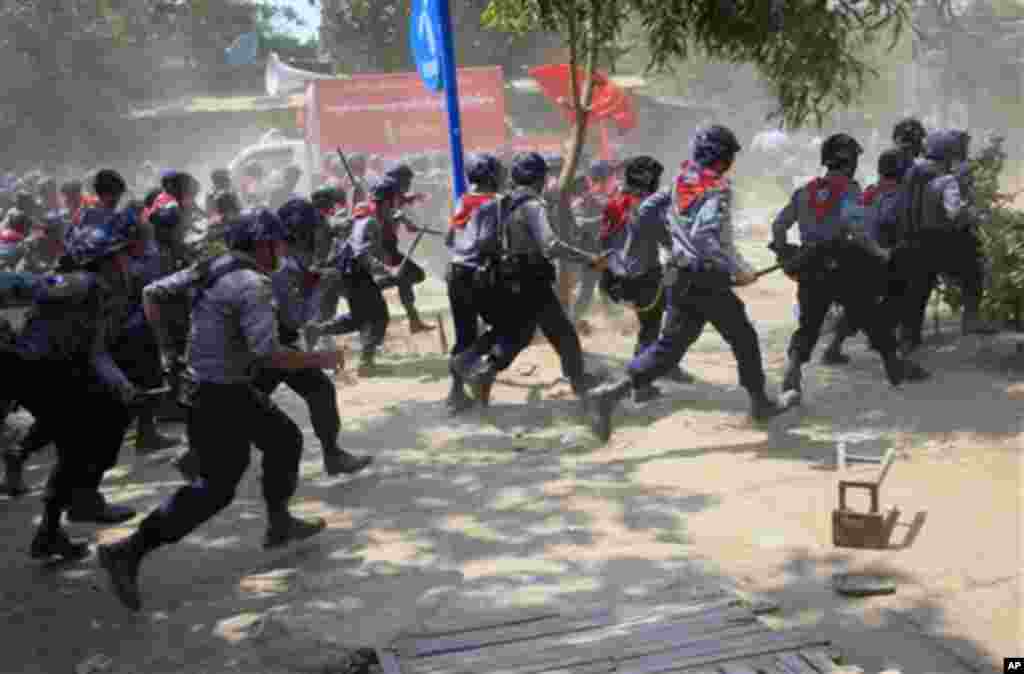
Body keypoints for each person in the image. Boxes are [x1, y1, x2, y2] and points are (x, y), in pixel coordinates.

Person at [98, 209, 344, 611]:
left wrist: (169, 352)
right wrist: (322, 359)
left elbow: (152, 294)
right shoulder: (253, 284)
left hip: (213, 384)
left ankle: (279, 522)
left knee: (284, 439)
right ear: (263, 244)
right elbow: (268, 355)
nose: (281, 250)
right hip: (219, 394)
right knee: (215, 489)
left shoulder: (211, 265)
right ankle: (128, 551)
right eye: (277, 243)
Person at [588, 125, 791, 443]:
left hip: (680, 277)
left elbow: (643, 213)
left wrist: (673, 241)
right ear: (722, 157)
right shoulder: (716, 189)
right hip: (706, 278)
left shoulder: (680, 181)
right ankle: (761, 404)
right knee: (744, 338)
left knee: (668, 350)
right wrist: (736, 269)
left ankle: (610, 393)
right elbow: (704, 236)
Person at [2, 215, 141, 558]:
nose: (123, 263)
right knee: (101, 427)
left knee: (74, 444)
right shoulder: (93, 287)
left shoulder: (60, 281)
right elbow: (94, 350)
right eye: (117, 257)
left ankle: (55, 525)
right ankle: (75, 507)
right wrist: (123, 386)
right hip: (53, 375)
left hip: (30, 372)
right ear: (102, 262)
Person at [772, 134, 929, 407]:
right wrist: (881, 254)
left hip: (811, 267)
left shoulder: (804, 191)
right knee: (870, 316)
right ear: (851, 161)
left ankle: (793, 372)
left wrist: (786, 252)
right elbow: (856, 231)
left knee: (808, 326)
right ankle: (895, 369)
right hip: (844, 266)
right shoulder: (850, 190)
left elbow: (778, 226)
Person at [450, 152, 607, 407]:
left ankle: (481, 370)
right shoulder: (533, 205)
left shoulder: (500, 203)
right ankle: (579, 381)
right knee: (562, 332)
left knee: (518, 332)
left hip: (506, 276)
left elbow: (480, 240)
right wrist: (589, 258)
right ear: (540, 178)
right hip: (532, 277)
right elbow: (551, 245)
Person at [901, 129, 998, 346]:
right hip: (942, 242)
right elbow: (954, 212)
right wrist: (974, 215)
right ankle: (970, 318)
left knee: (919, 291)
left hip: (913, 240)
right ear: (948, 155)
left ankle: (910, 338)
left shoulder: (913, 174)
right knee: (974, 268)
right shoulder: (947, 180)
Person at [821, 148, 914, 364]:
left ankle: (834, 348)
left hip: (860, 258)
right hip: (883, 260)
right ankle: (899, 357)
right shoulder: (900, 198)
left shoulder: (869, 192)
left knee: (858, 305)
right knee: (898, 302)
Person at [304, 177, 400, 376]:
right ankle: (365, 361)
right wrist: (386, 270)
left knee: (359, 317)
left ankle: (319, 330)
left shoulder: (314, 221)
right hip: (348, 274)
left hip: (335, 275)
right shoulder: (330, 222)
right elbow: (358, 250)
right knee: (377, 316)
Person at [444, 153, 504, 415]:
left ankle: (456, 393)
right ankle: (478, 377)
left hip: (455, 272)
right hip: (478, 274)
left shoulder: (463, 200)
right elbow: (486, 243)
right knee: (507, 325)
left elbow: (449, 238)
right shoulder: (493, 203)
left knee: (464, 335)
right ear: (491, 175)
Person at [383, 163, 435, 333]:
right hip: (383, 247)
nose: (408, 185)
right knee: (410, 275)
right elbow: (389, 213)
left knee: (409, 277)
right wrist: (406, 222)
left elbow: (401, 201)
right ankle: (380, 284)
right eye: (407, 181)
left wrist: (414, 198)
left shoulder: (395, 194)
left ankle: (414, 320)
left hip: (389, 245)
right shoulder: (387, 193)